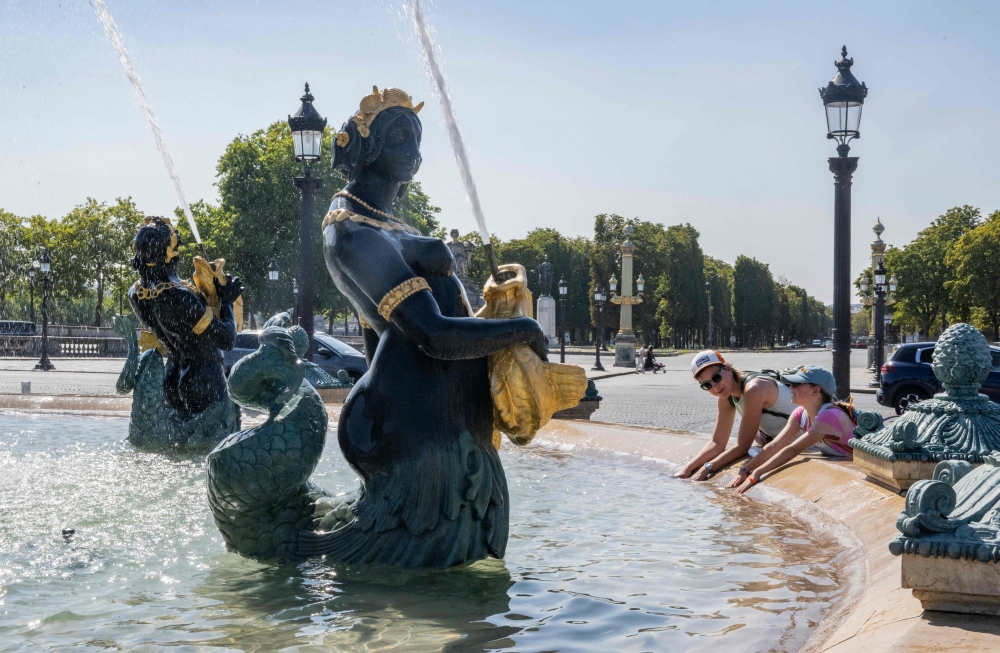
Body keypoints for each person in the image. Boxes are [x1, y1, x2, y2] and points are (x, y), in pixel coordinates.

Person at [320, 86, 548, 566]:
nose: (415, 151)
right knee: (427, 584)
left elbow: (419, 332)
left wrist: (501, 307)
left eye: (417, 138)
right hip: (412, 432)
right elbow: (434, 335)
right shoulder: (352, 233)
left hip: (437, 421)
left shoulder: (383, 226)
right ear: (366, 148)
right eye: (400, 135)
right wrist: (524, 329)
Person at [727, 366, 856, 494]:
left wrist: (757, 472)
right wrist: (746, 469)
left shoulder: (828, 416)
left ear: (815, 390)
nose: (790, 387)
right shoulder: (801, 413)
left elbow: (793, 450)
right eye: (791, 384)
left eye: (796, 384)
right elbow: (776, 445)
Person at [676, 350, 797, 481]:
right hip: (781, 440)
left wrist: (707, 468)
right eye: (707, 385)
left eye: (716, 378)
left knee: (754, 436)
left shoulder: (754, 388)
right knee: (756, 435)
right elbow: (717, 443)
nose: (715, 387)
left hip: (808, 442)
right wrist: (686, 469)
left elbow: (742, 447)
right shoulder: (725, 397)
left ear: (727, 368)